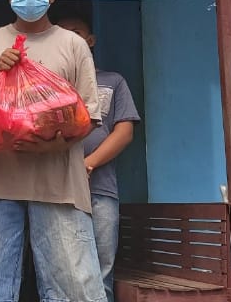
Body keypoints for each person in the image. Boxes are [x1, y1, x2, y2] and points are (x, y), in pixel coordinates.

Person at [0, 0, 104, 302]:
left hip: (60, 185)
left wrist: (52, 147)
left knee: (75, 287)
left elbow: (89, 116)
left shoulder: (73, 44)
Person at [56, 16, 140, 302]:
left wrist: (87, 163)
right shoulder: (48, 84)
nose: (70, 38)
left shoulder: (113, 82)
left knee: (101, 271)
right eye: (63, 33)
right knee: (61, 272)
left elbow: (124, 132)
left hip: (100, 190)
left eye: (76, 32)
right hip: (57, 192)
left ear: (90, 40)